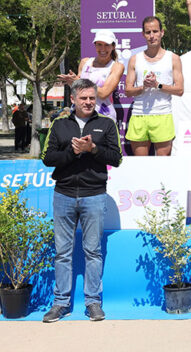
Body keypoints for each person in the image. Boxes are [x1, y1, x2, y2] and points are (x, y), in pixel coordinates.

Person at [41, 78, 122, 322]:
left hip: (94, 195)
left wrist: (93, 149)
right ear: (73, 99)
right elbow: (47, 158)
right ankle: (60, 303)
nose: (88, 102)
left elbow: (116, 158)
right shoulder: (59, 124)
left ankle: (93, 302)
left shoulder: (106, 124)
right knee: (62, 253)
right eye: (83, 98)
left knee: (93, 252)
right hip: (63, 195)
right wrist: (73, 152)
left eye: (91, 98)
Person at [125, 17, 184, 156]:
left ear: (162, 32)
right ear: (143, 34)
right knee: (140, 164)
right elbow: (128, 91)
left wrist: (158, 85)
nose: (152, 36)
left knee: (163, 164)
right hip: (139, 115)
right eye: (148, 32)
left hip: (162, 114)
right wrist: (143, 87)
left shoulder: (173, 58)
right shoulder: (135, 59)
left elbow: (180, 90)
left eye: (155, 31)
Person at [57, 31, 125, 121]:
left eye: (107, 45)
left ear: (113, 47)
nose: (103, 48)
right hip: (80, 115)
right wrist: (71, 82)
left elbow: (104, 93)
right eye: (99, 44)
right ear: (95, 45)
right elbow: (79, 90)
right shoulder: (85, 62)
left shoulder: (117, 66)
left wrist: (78, 82)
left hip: (103, 117)